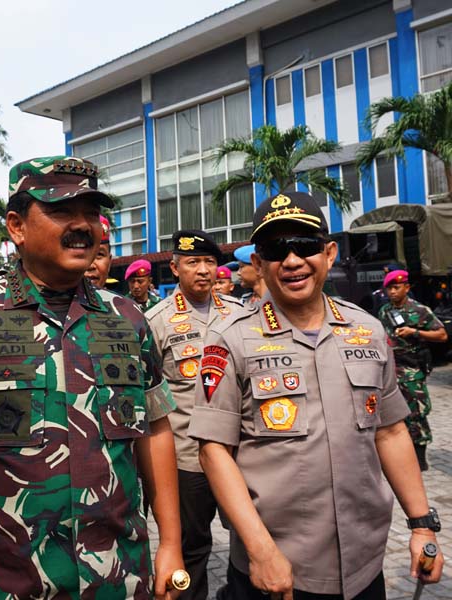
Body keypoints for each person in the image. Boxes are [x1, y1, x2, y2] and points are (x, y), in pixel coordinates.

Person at [0, 155, 185, 599]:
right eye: (62, 210)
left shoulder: (127, 317)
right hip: (5, 580)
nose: (83, 225)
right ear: (16, 226)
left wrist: (172, 547)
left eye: (91, 212)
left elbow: (156, 432)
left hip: (119, 578)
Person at [189, 191, 444, 599]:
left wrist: (421, 523)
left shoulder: (367, 330)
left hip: (363, 565)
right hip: (277, 571)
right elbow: (213, 450)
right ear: (258, 263)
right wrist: (261, 550)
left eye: (305, 245)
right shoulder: (230, 339)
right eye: (276, 249)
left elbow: (391, 432)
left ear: (327, 253)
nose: (292, 261)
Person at [146, 230, 243, 600]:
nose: (203, 270)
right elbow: (149, 397)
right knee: (191, 547)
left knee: (248, 540)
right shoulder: (157, 321)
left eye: (209, 262)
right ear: (174, 268)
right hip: (187, 458)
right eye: (193, 263)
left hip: (238, 454)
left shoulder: (238, 314)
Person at [378, 269, 448, 471]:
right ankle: (400, 455)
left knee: (416, 413)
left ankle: (420, 459)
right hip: (392, 370)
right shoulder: (384, 311)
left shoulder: (420, 310)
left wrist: (414, 332)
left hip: (412, 370)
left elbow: (442, 334)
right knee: (394, 413)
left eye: (396, 287)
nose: (392, 292)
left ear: (406, 288)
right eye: (389, 288)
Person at [84, 214, 113, 288]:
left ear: (109, 262)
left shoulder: (119, 299)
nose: (90, 266)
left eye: (99, 254)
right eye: (82, 254)